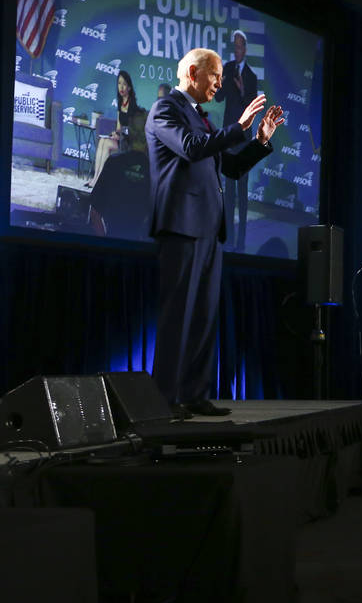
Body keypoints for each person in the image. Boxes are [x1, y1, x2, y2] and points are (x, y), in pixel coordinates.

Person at [146, 47, 284, 417]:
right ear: (193, 73)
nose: (221, 83)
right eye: (215, 75)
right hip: (181, 227)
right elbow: (191, 149)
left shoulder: (203, 119)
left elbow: (234, 168)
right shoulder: (166, 110)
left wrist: (260, 139)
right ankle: (164, 401)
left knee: (204, 317)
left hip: (209, 229)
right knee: (178, 316)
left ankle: (193, 394)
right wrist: (237, 126)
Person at [213, 30, 257, 252]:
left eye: (240, 46)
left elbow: (252, 108)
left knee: (242, 192)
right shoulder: (228, 69)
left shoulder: (251, 77)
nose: (237, 50)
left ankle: (240, 242)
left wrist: (242, 92)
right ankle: (228, 237)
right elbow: (219, 98)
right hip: (230, 136)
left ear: (245, 49)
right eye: (235, 46)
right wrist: (219, 82)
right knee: (228, 191)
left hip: (245, 140)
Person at [86, 70, 146, 188]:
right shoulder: (120, 103)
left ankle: (98, 180)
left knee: (106, 144)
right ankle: (95, 177)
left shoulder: (133, 106)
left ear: (129, 87)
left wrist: (120, 135)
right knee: (102, 141)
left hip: (128, 144)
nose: (121, 87)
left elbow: (132, 131)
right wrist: (115, 133)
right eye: (119, 83)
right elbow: (119, 127)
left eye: (124, 84)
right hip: (120, 139)